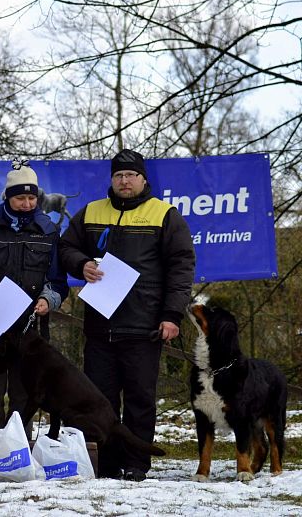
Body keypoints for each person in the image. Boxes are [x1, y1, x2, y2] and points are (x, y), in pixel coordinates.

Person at [59, 149, 195, 481]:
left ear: (143, 179)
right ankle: (106, 464)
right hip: (99, 326)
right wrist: (82, 264)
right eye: (119, 175)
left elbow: (181, 267)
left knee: (140, 400)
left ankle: (136, 465)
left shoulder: (165, 215)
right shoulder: (91, 211)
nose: (124, 181)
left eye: (131, 175)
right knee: (100, 400)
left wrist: (171, 316)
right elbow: (64, 248)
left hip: (145, 327)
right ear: (112, 180)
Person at [0, 163, 68, 432]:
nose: (26, 203)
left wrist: (48, 300)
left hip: (29, 332)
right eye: (20, 198)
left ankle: (18, 459)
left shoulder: (48, 230)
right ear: (7, 197)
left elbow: (57, 281)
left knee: (24, 398)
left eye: (32, 198)